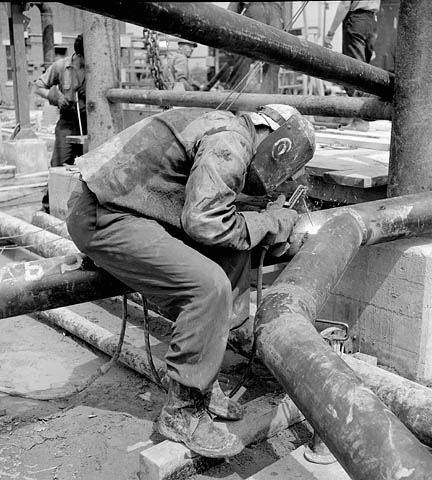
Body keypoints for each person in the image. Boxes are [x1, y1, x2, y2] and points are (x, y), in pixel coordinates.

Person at [66, 104, 315, 458]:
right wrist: (273, 222)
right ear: (280, 147)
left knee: (231, 255)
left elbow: (211, 221)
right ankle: (183, 412)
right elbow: (205, 223)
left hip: (129, 208)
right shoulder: (232, 140)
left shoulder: (225, 129)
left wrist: (260, 225)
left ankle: (204, 378)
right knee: (208, 286)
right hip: (104, 215)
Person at [35, 34, 87, 212]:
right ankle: (49, 206)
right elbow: (39, 86)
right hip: (67, 122)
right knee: (59, 165)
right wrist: (54, 97)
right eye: (83, 59)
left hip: (89, 122)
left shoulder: (96, 68)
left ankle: (81, 209)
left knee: (87, 168)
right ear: (78, 54)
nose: (86, 63)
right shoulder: (61, 66)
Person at [324, 0, 381, 131]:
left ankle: (360, 120)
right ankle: (360, 117)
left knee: (354, 72)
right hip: (372, 21)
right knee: (365, 72)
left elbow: (344, 4)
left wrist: (330, 33)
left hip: (356, 20)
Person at [225, 2, 284, 94]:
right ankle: (231, 99)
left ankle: (268, 102)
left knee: (273, 64)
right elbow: (229, 16)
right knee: (242, 57)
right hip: (251, 33)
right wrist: (228, 42)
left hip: (275, 34)